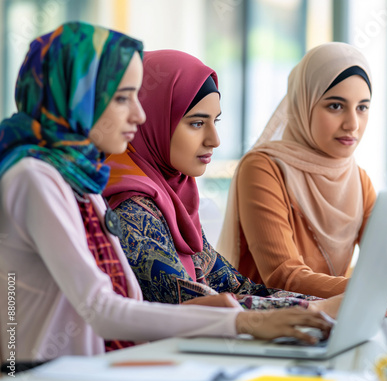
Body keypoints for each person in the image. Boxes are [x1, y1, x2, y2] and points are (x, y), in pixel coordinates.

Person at [0, 23, 332, 362]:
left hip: (90, 368)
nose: (139, 114)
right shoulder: (34, 177)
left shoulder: (83, 181)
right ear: (76, 98)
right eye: (121, 98)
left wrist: (248, 313)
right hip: (39, 373)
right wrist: (242, 321)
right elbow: (102, 308)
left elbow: (132, 299)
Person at [217, 42, 387, 310]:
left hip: (328, 319)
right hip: (267, 327)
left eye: (362, 107)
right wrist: (386, 289)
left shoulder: (357, 179)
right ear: (304, 104)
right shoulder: (262, 168)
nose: (352, 124)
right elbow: (283, 276)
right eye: (336, 106)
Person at [103, 50, 344, 318]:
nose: (214, 140)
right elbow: (193, 302)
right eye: (196, 123)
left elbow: (236, 286)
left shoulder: (173, 199)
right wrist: (315, 308)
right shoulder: (128, 208)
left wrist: (337, 301)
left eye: (215, 121)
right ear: (152, 122)